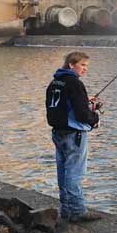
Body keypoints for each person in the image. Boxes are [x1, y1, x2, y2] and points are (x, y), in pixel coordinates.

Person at [46, 51, 103, 223]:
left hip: (58, 132)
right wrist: (95, 120)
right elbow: (81, 114)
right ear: (71, 65)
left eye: (86, 66)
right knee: (74, 173)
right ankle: (78, 211)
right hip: (74, 135)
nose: (85, 69)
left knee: (63, 171)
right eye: (82, 65)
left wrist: (84, 99)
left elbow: (61, 104)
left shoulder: (55, 82)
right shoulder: (75, 84)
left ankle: (65, 209)